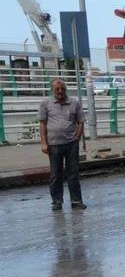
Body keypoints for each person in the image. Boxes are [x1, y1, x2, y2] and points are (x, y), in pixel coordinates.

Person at [39, 79, 86, 211]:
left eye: (63, 89)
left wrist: (77, 137)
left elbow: (81, 121)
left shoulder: (74, 103)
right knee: (55, 174)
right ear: (52, 90)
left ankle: (76, 201)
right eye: (57, 89)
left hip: (71, 144)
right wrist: (43, 142)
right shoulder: (45, 103)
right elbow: (42, 124)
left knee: (73, 173)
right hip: (53, 145)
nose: (60, 92)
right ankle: (57, 201)